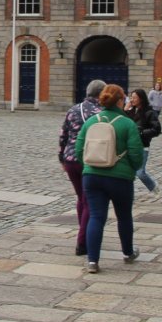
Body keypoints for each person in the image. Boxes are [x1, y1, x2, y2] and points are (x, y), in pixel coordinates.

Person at [72, 83, 144, 274]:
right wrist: (130, 169)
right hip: (120, 178)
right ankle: (128, 253)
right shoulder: (127, 123)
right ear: (120, 101)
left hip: (92, 176)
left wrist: (90, 165)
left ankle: (93, 261)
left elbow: (79, 150)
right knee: (123, 216)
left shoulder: (91, 121)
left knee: (96, 217)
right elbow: (137, 154)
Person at [59, 80, 104, 257]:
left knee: (81, 198)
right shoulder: (100, 113)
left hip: (70, 160)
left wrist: (61, 158)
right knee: (89, 202)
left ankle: (84, 231)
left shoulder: (73, 109)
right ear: (101, 94)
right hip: (88, 159)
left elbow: (63, 135)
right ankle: (82, 241)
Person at [125, 88, 162, 200]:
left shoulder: (149, 112)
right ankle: (128, 195)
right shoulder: (131, 111)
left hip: (142, 145)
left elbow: (156, 129)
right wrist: (125, 110)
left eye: (134, 97)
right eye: (131, 97)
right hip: (129, 146)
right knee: (128, 172)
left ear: (141, 98)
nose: (132, 99)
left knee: (140, 172)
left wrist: (142, 132)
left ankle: (153, 186)